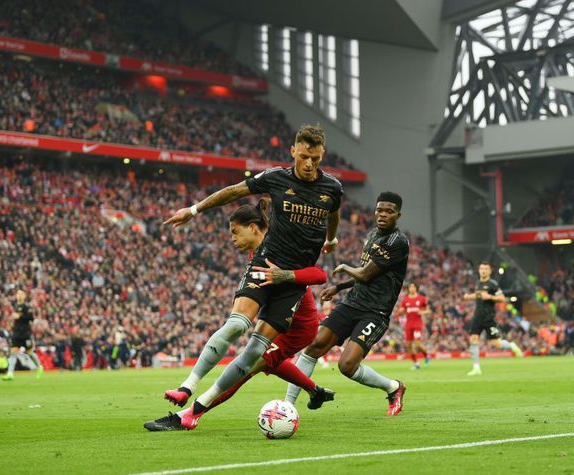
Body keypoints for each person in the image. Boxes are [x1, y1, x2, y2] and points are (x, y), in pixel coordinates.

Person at [162, 124, 343, 430]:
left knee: (255, 352)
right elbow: (234, 191)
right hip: (265, 264)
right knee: (236, 324)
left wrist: (331, 239)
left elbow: (334, 213)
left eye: (314, 157)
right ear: (293, 152)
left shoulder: (332, 189)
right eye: (303, 156)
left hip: (291, 284)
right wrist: (193, 211)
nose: (309, 163)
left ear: (322, 153)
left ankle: (195, 412)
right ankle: (187, 386)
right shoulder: (276, 178)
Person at [144, 200, 335, 431]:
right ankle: (315, 391)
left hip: (298, 327)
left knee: (246, 367)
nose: (232, 239)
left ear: (254, 227)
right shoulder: (257, 253)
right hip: (280, 320)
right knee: (266, 362)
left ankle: (191, 414)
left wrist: (286, 275)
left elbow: (318, 274)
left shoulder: (282, 248)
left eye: (235, 232)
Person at [285, 192, 409, 416]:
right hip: (352, 302)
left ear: (398, 215)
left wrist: (343, 267)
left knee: (347, 366)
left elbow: (364, 274)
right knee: (314, 346)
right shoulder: (372, 234)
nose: (382, 214)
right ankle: (288, 406)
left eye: (389, 211)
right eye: (379, 209)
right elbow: (368, 275)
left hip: (375, 312)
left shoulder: (397, 242)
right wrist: (339, 288)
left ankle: (393, 387)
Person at [463, 261, 523, 376]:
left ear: (490, 271)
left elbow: (502, 298)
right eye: (481, 268)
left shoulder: (493, 284)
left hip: (488, 318)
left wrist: (490, 296)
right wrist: (468, 296)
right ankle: (476, 368)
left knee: (496, 343)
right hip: (477, 316)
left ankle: (511, 345)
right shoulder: (478, 283)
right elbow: (479, 296)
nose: (483, 271)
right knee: (473, 339)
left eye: (485, 269)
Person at [2, 290, 44, 381]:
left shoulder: (26, 306)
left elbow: (31, 318)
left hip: (25, 334)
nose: (19, 295)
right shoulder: (17, 307)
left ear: (24, 296)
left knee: (30, 353)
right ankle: (10, 373)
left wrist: (20, 316)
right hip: (17, 334)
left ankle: (39, 367)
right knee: (13, 352)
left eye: (21, 294)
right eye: (17, 294)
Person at [396, 283, 430, 369]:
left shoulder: (421, 299)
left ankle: (426, 355)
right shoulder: (405, 300)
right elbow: (401, 311)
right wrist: (400, 312)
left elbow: (428, 310)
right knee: (408, 345)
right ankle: (416, 364)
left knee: (417, 343)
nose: (411, 288)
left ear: (416, 288)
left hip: (417, 324)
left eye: (413, 287)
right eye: (410, 287)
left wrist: (422, 312)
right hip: (408, 324)